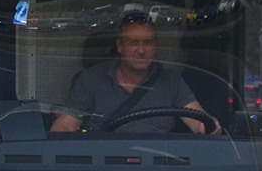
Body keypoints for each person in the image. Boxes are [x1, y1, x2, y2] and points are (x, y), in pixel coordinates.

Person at [50, 16, 220, 134]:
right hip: (104, 166)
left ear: (155, 47)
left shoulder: (171, 80)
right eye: (133, 43)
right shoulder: (90, 79)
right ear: (119, 46)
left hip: (159, 166)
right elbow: (65, 127)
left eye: (148, 43)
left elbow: (197, 118)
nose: (141, 51)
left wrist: (208, 126)